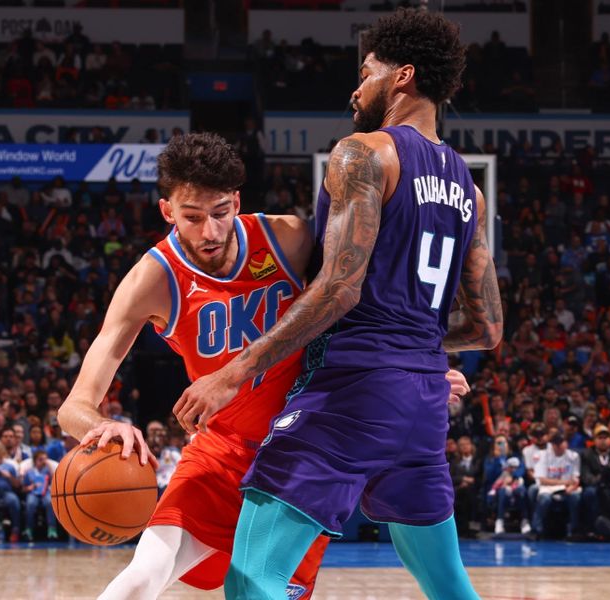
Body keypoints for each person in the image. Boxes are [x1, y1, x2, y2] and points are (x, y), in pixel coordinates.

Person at [58, 132, 476, 598]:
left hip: (304, 448)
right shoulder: (151, 280)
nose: (210, 232)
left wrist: (411, 363)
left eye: (220, 213)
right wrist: (99, 425)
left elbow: (361, 303)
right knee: (144, 571)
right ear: (167, 211)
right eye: (192, 217)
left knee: (264, 589)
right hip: (222, 452)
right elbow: (73, 405)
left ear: (237, 201)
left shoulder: (288, 239)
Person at [174, 11, 501, 599]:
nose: (355, 89)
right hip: (422, 406)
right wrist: (416, 351)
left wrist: (236, 371)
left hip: (352, 394)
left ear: (402, 77)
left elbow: (339, 288)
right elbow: (488, 328)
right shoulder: (470, 190)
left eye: (366, 73)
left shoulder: (364, 153)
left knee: (253, 579)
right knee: (450, 588)